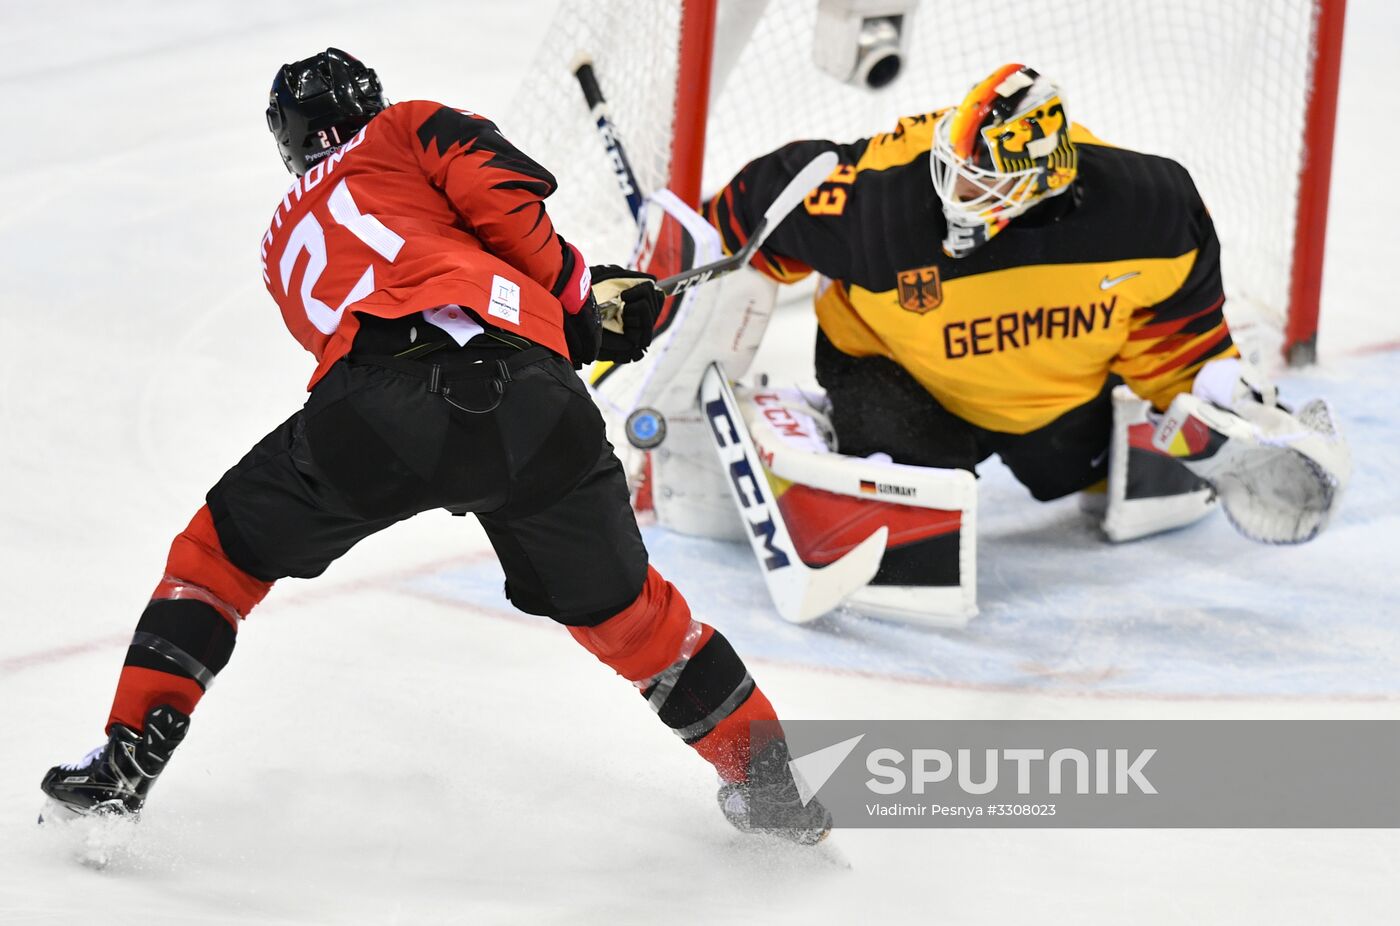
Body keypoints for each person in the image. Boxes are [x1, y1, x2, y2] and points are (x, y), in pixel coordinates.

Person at [39, 48, 829, 846]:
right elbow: (502, 205)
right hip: (535, 403)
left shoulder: (281, 246)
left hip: (375, 412)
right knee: (636, 619)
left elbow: (405, 295)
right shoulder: (405, 126)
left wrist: (574, 312)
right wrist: (578, 302)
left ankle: (126, 760)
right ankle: (774, 789)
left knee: (215, 561)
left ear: (291, 138)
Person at [699, 62, 1346, 546]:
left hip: (1048, 394)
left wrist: (1226, 399)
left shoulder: (1154, 210)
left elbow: (1176, 339)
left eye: (980, 185)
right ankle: (864, 445)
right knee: (912, 520)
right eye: (952, 170)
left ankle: (1068, 450)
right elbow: (758, 207)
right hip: (901, 378)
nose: (955, 196)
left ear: (1042, 184)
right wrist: (680, 273)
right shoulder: (881, 200)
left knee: (1066, 475)